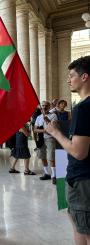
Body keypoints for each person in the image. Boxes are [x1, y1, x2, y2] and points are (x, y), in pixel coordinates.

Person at [45, 56, 90, 245]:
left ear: (85, 77)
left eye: (71, 75)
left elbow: (79, 152)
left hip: (82, 179)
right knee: (78, 225)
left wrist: (55, 132)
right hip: (81, 178)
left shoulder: (83, 108)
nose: (68, 79)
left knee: (85, 228)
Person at [34, 101, 58, 184]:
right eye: (43, 105)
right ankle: (47, 173)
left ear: (49, 106)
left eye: (46, 105)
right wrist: (44, 130)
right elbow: (35, 129)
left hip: (50, 138)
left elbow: (54, 127)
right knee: (42, 156)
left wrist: (47, 119)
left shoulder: (53, 115)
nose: (44, 107)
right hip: (41, 139)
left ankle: (54, 176)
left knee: (51, 157)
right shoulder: (38, 117)